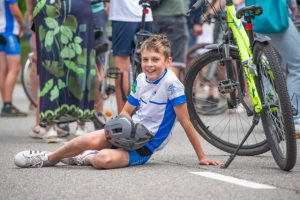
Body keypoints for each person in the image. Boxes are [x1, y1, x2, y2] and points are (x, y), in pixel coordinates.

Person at [14, 35, 222, 169]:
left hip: (144, 145)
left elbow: (186, 122)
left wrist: (201, 156)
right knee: (86, 139)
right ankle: (47, 158)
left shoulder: (172, 84)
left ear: (168, 61)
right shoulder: (140, 79)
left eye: (155, 60)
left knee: (102, 160)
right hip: (129, 131)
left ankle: (83, 158)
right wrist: (120, 124)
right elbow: (126, 110)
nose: (149, 64)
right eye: (146, 59)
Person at [26, 0, 96, 142]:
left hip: (48, 6)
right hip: (78, 6)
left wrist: (30, 12)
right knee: (81, 62)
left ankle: (51, 128)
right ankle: (80, 126)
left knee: (51, 62)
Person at [246, 0, 300, 136]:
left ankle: (272, 118)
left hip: (257, 15)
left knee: (271, 69)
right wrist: (293, 6)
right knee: (297, 65)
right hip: (275, 16)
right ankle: (295, 120)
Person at [109, 0, 153, 113]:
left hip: (123, 15)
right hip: (146, 12)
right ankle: (148, 114)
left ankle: (123, 116)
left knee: (122, 68)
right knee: (149, 66)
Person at [0, 0, 27, 117]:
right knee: (14, 68)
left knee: (3, 70)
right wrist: (22, 25)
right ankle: (7, 104)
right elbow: (13, 8)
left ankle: (6, 104)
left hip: (1, 30)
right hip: (9, 31)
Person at [152, 0, 189, 79]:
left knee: (154, 59)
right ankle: (168, 90)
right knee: (175, 62)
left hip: (153, 15)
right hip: (174, 13)